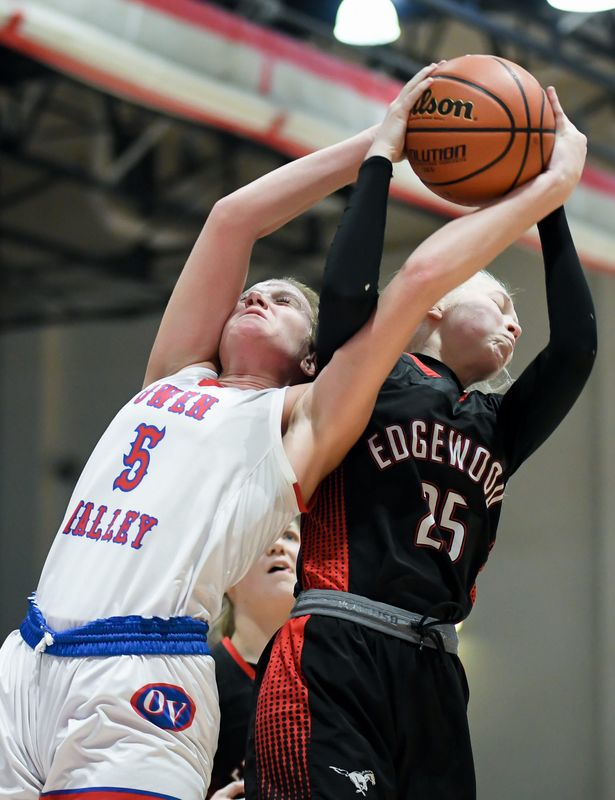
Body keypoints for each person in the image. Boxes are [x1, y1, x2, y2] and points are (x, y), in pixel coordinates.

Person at [0, 62, 515, 800]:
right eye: (251, 291)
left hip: (142, 679)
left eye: (278, 299)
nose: (253, 294)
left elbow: (411, 285)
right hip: (28, 654)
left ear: (311, 357)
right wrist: (380, 133)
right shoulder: (174, 374)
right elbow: (232, 218)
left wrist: (541, 189)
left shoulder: (300, 420)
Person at [245, 87, 595, 800]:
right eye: (500, 303)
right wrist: (380, 159)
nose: (514, 327)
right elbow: (347, 286)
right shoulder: (369, 373)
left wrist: (550, 199)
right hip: (337, 648)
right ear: (435, 298)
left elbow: (575, 350)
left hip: (434, 667)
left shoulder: (498, 424)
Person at [208, 518, 301, 799]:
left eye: (289, 536)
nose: (277, 547)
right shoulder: (205, 676)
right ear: (227, 578)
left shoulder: (333, 671)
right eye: (259, 540)